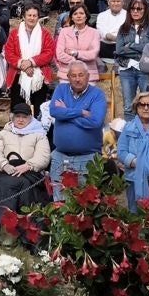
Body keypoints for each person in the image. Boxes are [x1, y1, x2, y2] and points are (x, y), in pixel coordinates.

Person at [0, 102, 49, 237]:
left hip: (29, 172)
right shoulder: (3, 134)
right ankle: (2, 223)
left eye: (24, 117)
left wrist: (29, 165)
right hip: (7, 170)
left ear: (30, 118)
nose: (20, 120)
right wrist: (3, 165)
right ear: (12, 118)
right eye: (17, 116)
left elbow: (43, 156)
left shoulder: (40, 134)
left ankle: (24, 228)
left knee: (25, 186)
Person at [44, 60, 107, 197]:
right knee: (59, 200)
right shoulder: (61, 89)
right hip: (60, 156)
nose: (77, 79)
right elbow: (54, 111)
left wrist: (66, 111)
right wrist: (81, 112)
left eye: (81, 75)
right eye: (73, 76)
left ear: (88, 76)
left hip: (87, 158)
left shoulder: (97, 95)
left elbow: (95, 122)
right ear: (68, 77)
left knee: (85, 202)